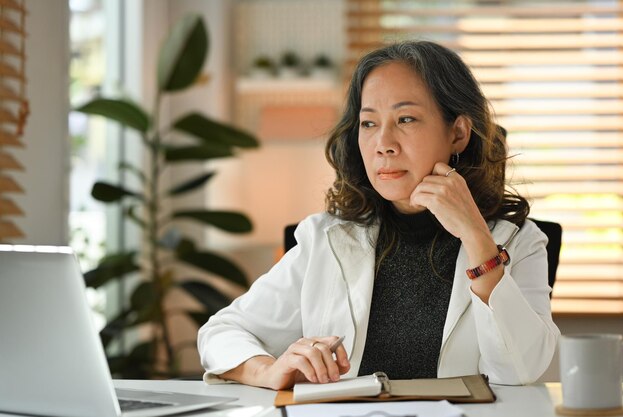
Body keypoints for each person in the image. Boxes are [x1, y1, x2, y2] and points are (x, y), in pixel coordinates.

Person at [197, 40, 560, 390]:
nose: (383, 143)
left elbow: (520, 371)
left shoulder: (518, 240)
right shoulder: (325, 237)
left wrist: (478, 239)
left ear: (458, 133)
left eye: (405, 119)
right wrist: (269, 371)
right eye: (369, 123)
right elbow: (220, 334)